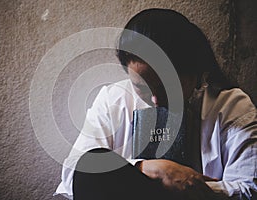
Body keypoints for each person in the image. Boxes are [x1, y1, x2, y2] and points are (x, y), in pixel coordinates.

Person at [54, 8, 257, 200]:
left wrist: (183, 186)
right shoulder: (113, 99)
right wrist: (150, 170)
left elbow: (249, 189)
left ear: (193, 72)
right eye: (141, 87)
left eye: (168, 87)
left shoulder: (231, 105)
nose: (156, 100)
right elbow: (75, 174)